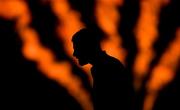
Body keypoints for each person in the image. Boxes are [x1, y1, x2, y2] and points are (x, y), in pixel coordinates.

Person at [72, 28, 134, 110]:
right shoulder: (104, 66)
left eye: (77, 48)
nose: (74, 54)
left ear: (88, 47)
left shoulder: (107, 68)